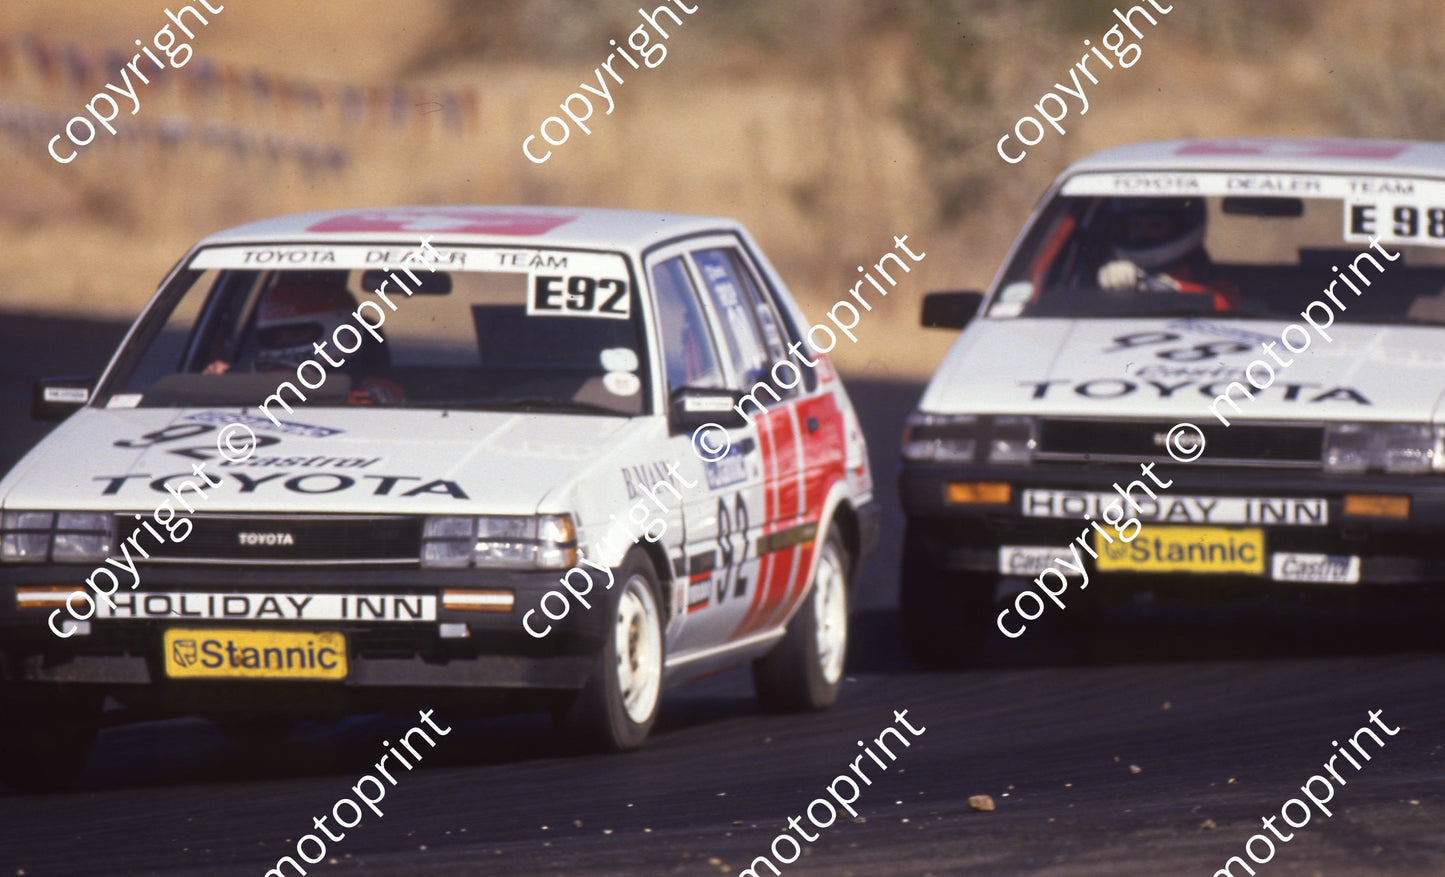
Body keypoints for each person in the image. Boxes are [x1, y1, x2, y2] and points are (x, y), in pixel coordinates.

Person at [204, 271, 404, 404]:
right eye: (274, 337)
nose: (283, 344)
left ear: (345, 333)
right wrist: (219, 384)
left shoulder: (376, 389)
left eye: (297, 334)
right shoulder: (244, 378)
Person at [1096, 198, 1241, 311]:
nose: (1143, 234)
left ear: (1180, 228)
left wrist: (1162, 288)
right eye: (1136, 226)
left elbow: (1224, 303)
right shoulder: (1116, 273)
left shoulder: (1203, 273)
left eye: (1155, 225)